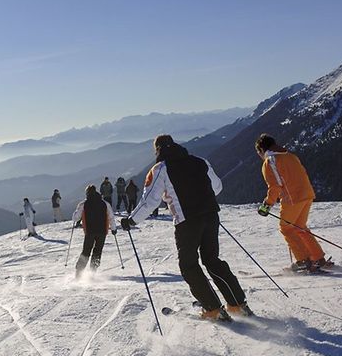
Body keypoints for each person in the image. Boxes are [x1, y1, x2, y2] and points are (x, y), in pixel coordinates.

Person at [120, 135, 252, 321]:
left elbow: (150, 201)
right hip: (211, 214)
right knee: (212, 260)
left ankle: (212, 308)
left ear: (157, 149)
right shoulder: (200, 161)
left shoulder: (160, 169)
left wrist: (131, 221)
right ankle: (237, 304)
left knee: (188, 264)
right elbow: (217, 187)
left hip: (187, 220)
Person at [255, 134, 328, 272]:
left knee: (286, 228)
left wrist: (267, 204)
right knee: (300, 227)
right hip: (307, 194)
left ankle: (303, 261)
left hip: (292, 198)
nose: (259, 155)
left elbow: (275, 186)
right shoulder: (290, 156)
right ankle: (317, 258)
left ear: (261, 149)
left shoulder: (270, 161)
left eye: (258, 152)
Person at [72, 185, 117, 279]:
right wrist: (113, 229)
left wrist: (76, 210)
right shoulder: (104, 203)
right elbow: (111, 216)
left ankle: (78, 273)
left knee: (86, 252)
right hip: (102, 231)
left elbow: (75, 218)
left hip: (90, 231)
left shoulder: (84, 204)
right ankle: (93, 272)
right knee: (97, 251)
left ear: (87, 193)